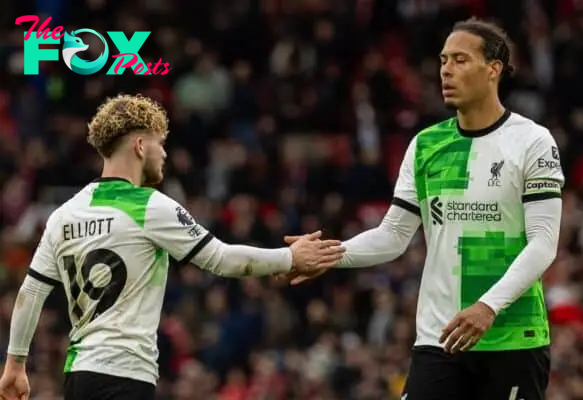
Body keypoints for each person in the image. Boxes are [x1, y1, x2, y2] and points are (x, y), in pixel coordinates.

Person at [285, 18, 563, 400]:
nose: (447, 69)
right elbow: (393, 236)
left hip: (512, 336)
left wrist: (488, 307)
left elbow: (544, 243)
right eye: (444, 60)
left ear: (493, 69)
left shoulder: (532, 142)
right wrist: (330, 255)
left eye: (461, 60)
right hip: (441, 338)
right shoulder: (425, 145)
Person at [0, 94, 345, 400]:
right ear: (139, 146)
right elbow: (222, 259)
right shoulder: (148, 206)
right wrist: (290, 257)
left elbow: (30, 292)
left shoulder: (64, 215)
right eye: (159, 143)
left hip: (79, 376)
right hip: (125, 374)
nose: (164, 153)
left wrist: (15, 364)